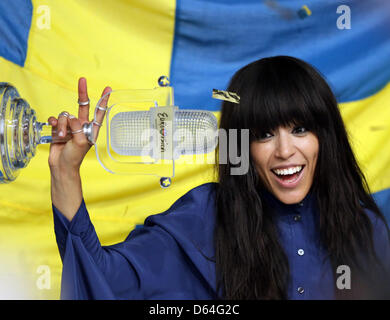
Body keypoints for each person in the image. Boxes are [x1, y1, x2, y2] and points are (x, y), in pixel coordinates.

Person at [49, 56, 390, 300]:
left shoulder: (365, 228)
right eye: (264, 134)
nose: (285, 151)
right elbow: (104, 281)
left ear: (324, 137)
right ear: (240, 146)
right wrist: (65, 174)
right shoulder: (204, 217)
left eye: (300, 129)